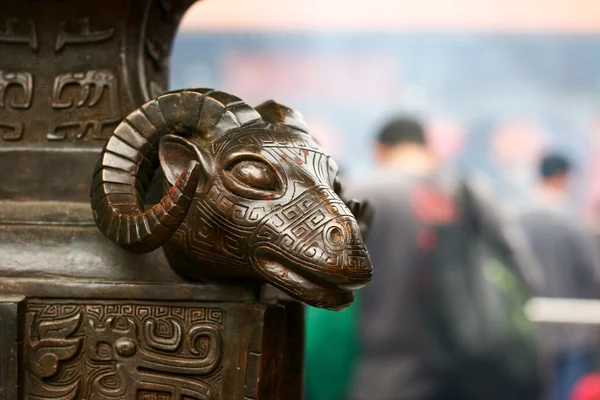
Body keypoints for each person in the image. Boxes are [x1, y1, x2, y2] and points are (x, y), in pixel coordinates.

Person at [346, 117, 542, 400]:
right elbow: (526, 277)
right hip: (471, 372)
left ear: (380, 150)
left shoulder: (363, 195)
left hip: (386, 374)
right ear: (426, 146)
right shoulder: (471, 193)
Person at [516, 153, 600, 400]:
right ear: (562, 177)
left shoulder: (515, 218)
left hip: (528, 330)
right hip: (571, 331)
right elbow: (593, 274)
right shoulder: (573, 222)